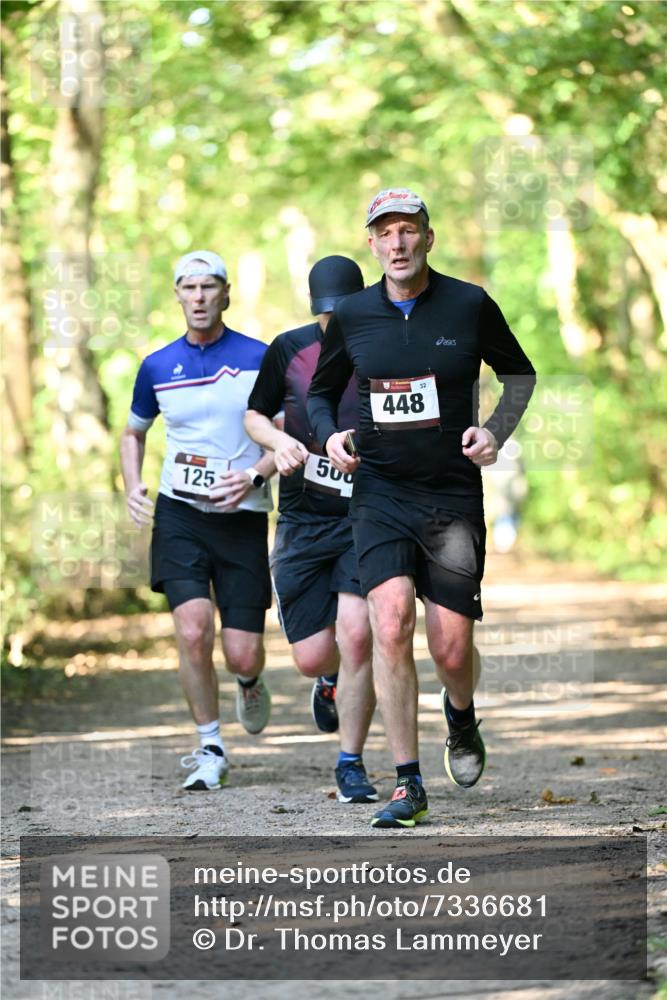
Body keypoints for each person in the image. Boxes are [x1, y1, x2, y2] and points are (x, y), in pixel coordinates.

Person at [307, 189, 536, 828]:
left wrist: (495, 430)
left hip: (452, 496)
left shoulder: (469, 304)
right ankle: (408, 784)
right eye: (386, 233)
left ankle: (460, 718)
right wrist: (328, 435)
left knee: (452, 646)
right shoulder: (352, 315)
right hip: (379, 493)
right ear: (373, 245)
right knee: (388, 624)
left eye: (409, 230)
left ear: (428, 239)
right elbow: (322, 394)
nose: (398, 243)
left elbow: (520, 374)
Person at [121, 250, 275, 792]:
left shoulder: (260, 357)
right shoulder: (158, 365)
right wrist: (132, 484)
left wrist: (256, 474)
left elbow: (284, 438)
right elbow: (133, 432)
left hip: (242, 515)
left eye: (210, 287)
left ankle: (250, 681)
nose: (200, 297)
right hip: (180, 513)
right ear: (179, 297)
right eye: (190, 288)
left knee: (241, 651)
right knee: (191, 628)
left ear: (226, 294)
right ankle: (210, 744)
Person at [244, 256, 378, 804]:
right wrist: (278, 444)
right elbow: (255, 415)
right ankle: (327, 682)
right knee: (313, 657)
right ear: (313, 310)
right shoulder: (289, 349)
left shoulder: (384, 344)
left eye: (343, 313)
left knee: (358, 635)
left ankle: (351, 762)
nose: (334, 325)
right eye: (326, 316)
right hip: (301, 517)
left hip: (363, 516)